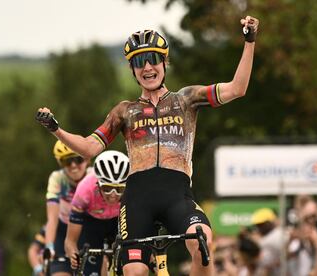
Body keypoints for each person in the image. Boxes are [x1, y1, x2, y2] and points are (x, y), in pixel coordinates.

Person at [36, 15, 259, 276]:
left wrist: (249, 41)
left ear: (165, 63)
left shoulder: (186, 99)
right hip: (137, 199)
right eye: (139, 63)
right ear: (132, 70)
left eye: (153, 60)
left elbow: (237, 88)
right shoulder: (124, 111)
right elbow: (89, 148)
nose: (147, 68)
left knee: (202, 242)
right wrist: (56, 129)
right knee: (135, 272)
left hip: (177, 195)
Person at [65, 150, 129, 275]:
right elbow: (70, 241)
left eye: (119, 189)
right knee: (90, 271)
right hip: (92, 223)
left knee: (127, 265)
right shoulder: (85, 190)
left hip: (119, 220)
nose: (113, 195)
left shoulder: (132, 188)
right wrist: (73, 254)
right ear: (98, 184)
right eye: (107, 188)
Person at [45, 140, 91, 276]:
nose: (73, 165)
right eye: (67, 161)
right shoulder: (57, 178)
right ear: (61, 164)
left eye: (78, 159)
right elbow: (52, 219)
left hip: (90, 231)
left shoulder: (94, 176)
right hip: (63, 231)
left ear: (87, 160)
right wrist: (49, 246)